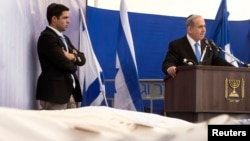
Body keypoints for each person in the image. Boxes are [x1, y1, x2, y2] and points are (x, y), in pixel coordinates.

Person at [36, 3, 86, 110]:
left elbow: (83, 59)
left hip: (69, 93)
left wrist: (72, 57)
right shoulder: (47, 38)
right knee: (53, 126)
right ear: (54, 19)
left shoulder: (64, 38)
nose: (68, 21)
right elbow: (66, 65)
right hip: (54, 95)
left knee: (71, 126)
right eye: (65, 18)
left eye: (69, 18)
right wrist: (74, 61)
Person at [162, 14, 234, 78]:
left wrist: (235, 69)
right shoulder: (176, 45)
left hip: (207, 86)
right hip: (185, 86)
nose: (204, 30)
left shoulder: (208, 44)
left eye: (204, 26)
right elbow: (168, 63)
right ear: (190, 29)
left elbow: (218, 61)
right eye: (200, 27)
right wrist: (170, 68)